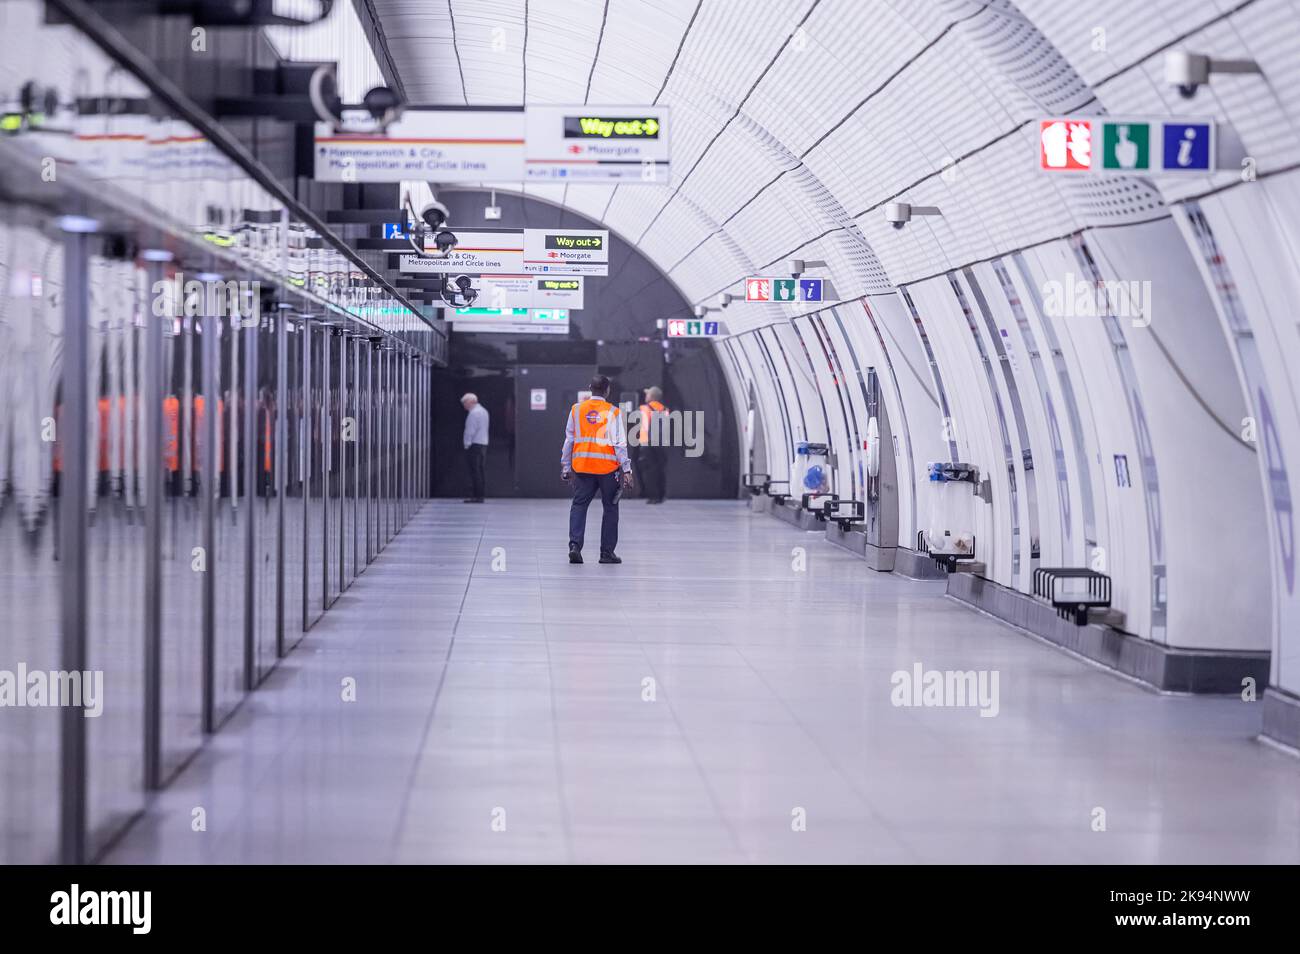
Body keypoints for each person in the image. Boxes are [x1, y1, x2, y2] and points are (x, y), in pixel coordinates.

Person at [561, 374, 633, 564]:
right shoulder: (613, 412)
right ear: (607, 390)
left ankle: (575, 546)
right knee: (610, 508)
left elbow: (569, 440)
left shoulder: (576, 410)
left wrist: (566, 467)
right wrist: (626, 470)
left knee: (579, 505)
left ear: (589, 388)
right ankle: (606, 553)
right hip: (607, 469)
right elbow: (619, 444)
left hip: (583, 468)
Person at [636, 386, 668, 505]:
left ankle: (653, 496)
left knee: (649, 471)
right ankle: (661, 495)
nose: (646, 396)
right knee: (660, 470)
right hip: (661, 443)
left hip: (647, 444)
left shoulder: (644, 408)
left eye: (647, 394)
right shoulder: (664, 409)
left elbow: (642, 423)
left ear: (651, 396)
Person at [461, 392, 489, 503]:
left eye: (465, 403)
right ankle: (480, 495)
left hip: (474, 445)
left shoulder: (473, 413)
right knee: (480, 471)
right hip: (483, 444)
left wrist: (466, 444)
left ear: (471, 402)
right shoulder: (484, 411)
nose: (464, 406)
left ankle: (475, 496)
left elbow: (469, 431)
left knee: (474, 471)